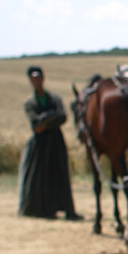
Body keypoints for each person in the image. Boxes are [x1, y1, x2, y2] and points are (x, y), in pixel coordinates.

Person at [17, 66, 82, 220]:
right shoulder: (30, 103)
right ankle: (44, 209)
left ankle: (66, 209)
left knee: (61, 174)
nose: (37, 81)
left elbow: (62, 117)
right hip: (40, 144)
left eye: (39, 78)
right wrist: (50, 116)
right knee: (40, 177)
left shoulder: (54, 98)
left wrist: (44, 120)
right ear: (31, 81)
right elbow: (36, 126)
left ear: (43, 78)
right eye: (34, 79)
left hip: (56, 142)